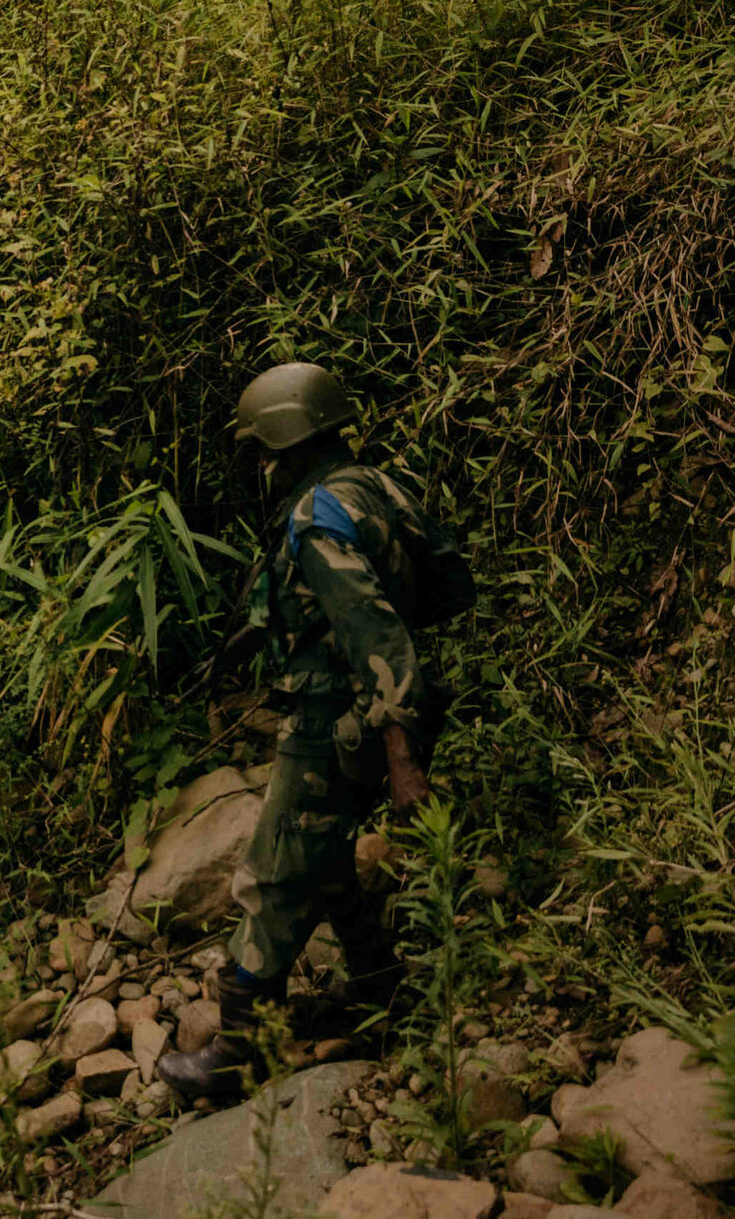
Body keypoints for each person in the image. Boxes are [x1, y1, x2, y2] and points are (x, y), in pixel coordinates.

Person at [158, 361, 465, 1105]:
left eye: (264, 451)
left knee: (272, 874)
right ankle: (381, 987)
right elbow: (441, 588)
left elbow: (373, 631)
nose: (262, 468)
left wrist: (401, 757)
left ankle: (238, 1051)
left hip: (338, 723)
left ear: (287, 438)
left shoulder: (315, 515)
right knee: (323, 858)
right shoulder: (377, 486)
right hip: (372, 712)